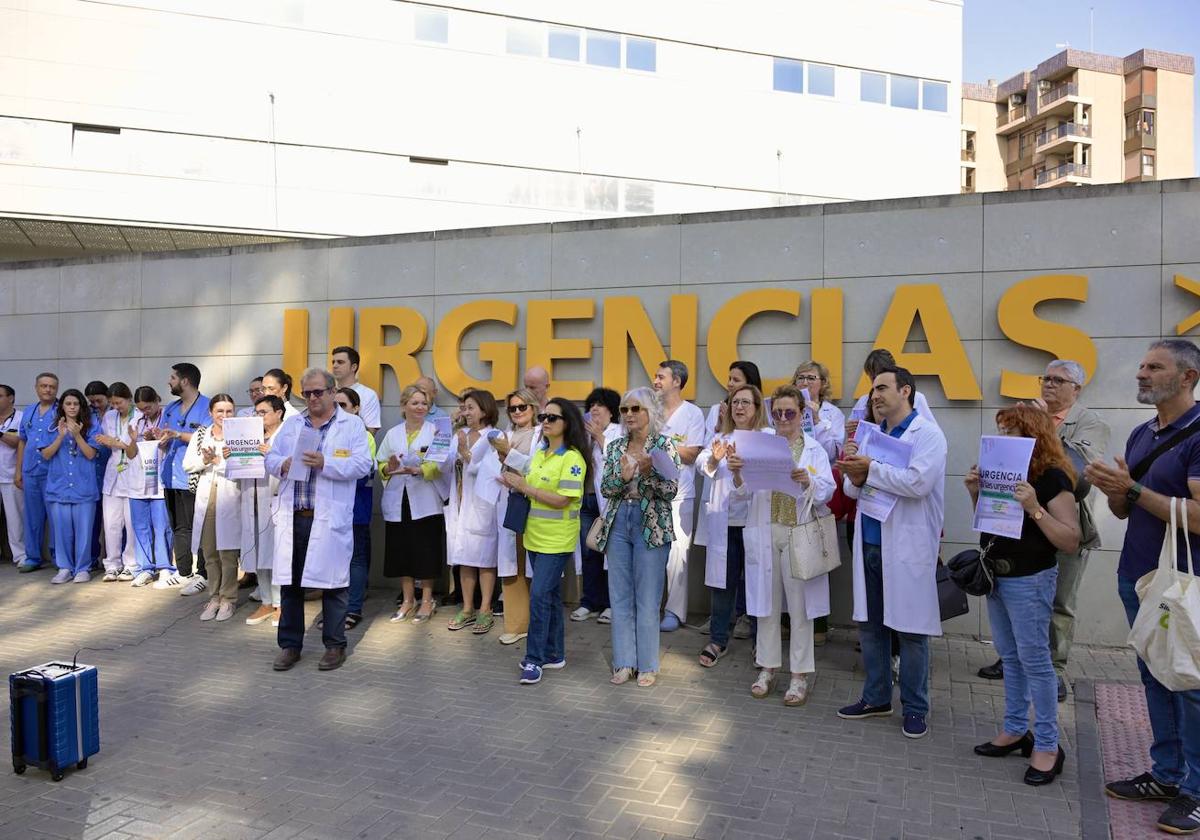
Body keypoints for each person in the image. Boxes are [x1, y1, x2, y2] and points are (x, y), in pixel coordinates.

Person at [1086, 339, 1200, 834]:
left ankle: (1196, 791)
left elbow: (1198, 517)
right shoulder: (1139, 433)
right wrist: (1117, 490)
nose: (1142, 374)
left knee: (1190, 685)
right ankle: (1167, 774)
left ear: (1188, 377)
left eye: (1155, 367)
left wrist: (1131, 488)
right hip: (1138, 575)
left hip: (1182, 583)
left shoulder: (1197, 434)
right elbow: (1124, 509)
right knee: (1154, 677)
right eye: (1141, 366)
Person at [978, 360, 1111, 702]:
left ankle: (1054, 670)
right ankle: (1012, 661)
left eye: (1059, 380)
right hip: (1018, 529)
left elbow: (1078, 475)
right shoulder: (1029, 416)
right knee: (1013, 601)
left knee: (1059, 602)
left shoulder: (1089, 422)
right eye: (1046, 378)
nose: (1049, 385)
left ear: (1076, 389)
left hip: (1060, 526)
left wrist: (1043, 431)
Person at [966, 405, 1079, 786]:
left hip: (1030, 580)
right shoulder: (1004, 472)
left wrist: (1034, 508)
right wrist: (975, 494)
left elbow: (1070, 539)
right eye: (1001, 431)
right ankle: (1015, 730)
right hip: (998, 576)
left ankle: (1048, 745)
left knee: (1035, 661)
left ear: (1034, 436)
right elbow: (992, 523)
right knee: (1010, 657)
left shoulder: (1052, 478)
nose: (1005, 439)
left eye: (1013, 432)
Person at [837, 366, 947, 739]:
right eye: (872, 390)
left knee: (912, 631)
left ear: (906, 392)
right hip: (869, 541)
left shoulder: (928, 435)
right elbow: (855, 493)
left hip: (906, 546)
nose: (875, 395)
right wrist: (854, 471)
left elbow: (918, 483)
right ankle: (876, 697)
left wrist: (870, 469)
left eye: (882, 388)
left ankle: (915, 708)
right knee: (871, 627)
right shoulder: (871, 435)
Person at [267, 369, 372, 672]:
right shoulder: (292, 425)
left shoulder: (351, 425)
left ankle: (334, 645)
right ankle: (290, 646)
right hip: (295, 516)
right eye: (307, 393)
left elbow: (362, 464)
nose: (312, 398)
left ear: (331, 391)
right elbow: (270, 458)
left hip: (327, 520)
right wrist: (282, 464)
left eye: (318, 392)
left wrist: (328, 463)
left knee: (334, 585)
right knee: (291, 585)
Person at [748, 385, 835, 704]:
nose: (783, 418)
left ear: (802, 415)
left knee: (800, 608)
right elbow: (743, 491)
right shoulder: (762, 445)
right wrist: (738, 474)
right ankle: (767, 668)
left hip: (798, 532)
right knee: (766, 605)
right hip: (766, 528)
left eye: (790, 412)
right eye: (778, 412)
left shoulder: (814, 450)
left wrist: (808, 481)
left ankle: (799, 676)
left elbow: (828, 490)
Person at [500, 398, 590, 685]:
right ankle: (554, 654)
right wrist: (516, 482)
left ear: (567, 423)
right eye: (543, 417)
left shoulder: (572, 458)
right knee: (548, 597)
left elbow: (564, 499)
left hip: (557, 541)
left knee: (538, 597)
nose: (545, 422)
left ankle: (534, 658)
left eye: (552, 417)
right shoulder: (541, 453)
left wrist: (525, 487)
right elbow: (529, 476)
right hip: (535, 537)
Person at [595, 387, 681, 687]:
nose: (629, 415)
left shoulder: (663, 445)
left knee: (648, 597)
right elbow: (606, 487)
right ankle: (623, 662)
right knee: (619, 595)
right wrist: (623, 478)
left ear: (649, 412)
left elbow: (671, 490)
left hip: (651, 524)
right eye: (624, 410)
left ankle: (647, 665)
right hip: (619, 521)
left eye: (635, 409)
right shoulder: (616, 446)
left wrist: (647, 473)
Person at [696, 384, 769, 667]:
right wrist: (715, 458)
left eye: (745, 403)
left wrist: (741, 471)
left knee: (756, 585)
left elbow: (767, 477)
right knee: (723, 585)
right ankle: (718, 640)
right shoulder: (720, 438)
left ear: (757, 408)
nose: (739, 407)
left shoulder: (767, 438)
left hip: (755, 523)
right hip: (725, 524)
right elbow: (704, 465)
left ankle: (760, 643)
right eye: (735, 402)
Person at [378, 384, 448, 625]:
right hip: (398, 499)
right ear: (403, 406)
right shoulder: (392, 434)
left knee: (425, 550)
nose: (420, 407)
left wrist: (419, 469)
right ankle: (408, 600)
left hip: (426, 499)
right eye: (415, 402)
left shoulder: (436, 431)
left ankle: (427, 600)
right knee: (401, 551)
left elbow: (441, 464)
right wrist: (389, 468)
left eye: (424, 403)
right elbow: (380, 465)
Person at [652, 359, 705, 631]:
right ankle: (649, 607)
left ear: (677, 381)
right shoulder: (651, 412)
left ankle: (674, 612)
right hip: (649, 494)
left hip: (679, 495)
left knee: (676, 555)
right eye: (655, 376)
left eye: (661, 377)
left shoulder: (692, 413)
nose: (656, 381)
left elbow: (692, 453)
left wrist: (660, 446)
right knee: (650, 553)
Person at [445, 389, 501, 635]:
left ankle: (485, 607)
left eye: (471, 408)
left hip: (483, 505)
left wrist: (467, 455)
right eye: (464, 408)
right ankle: (467, 608)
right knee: (465, 557)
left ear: (485, 410)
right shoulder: (460, 434)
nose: (466, 412)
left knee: (484, 558)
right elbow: (444, 463)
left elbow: (492, 470)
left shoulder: (494, 436)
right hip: (460, 502)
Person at [183, 394, 243, 622]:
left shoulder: (241, 435)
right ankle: (214, 597)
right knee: (209, 551)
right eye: (220, 411)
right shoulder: (201, 434)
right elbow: (188, 465)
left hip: (230, 495)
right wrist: (206, 461)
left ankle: (228, 598)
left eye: (229, 411)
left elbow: (245, 467)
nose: (225, 416)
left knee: (228, 552)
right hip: (207, 496)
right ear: (211, 413)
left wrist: (219, 462)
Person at [490, 388, 541, 643]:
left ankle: (538, 624)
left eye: (523, 407)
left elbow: (536, 468)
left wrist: (508, 456)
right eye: (513, 408)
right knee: (512, 563)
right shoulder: (504, 435)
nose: (518, 412)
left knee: (535, 564)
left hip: (534, 501)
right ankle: (516, 624)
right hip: (507, 501)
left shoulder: (541, 435)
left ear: (533, 408)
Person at [159, 363, 210, 595]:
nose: (169, 381)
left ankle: (203, 574)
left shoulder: (207, 406)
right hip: (171, 476)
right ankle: (183, 572)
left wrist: (178, 435)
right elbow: (164, 433)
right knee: (178, 526)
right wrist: (158, 437)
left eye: (172, 378)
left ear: (185, 381)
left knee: (197, 526)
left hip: (193, 476)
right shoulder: (170, 408)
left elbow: (208, 438)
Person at [573, 387, 622, 624]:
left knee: (611, 552)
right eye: (591, 405)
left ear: (611, 412)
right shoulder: (584, 434)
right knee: (589, 550)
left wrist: (601, 438)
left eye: (600, 405)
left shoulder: (619, 432)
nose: (594, 409)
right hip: (585, 499)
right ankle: (590, 601)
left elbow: (618, 462)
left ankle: (613, 603)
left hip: (608, 501)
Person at [42, 389, 102, 584]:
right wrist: (61, 436)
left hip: (83, 488)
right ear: (62, 407)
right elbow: (46, 454)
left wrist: (77, 436)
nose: (72, 407)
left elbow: (91, 454)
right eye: (68, 404)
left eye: (76, 404)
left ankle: (83, 568)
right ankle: (64, 567)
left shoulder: (92, 427)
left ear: (81, 406)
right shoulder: (52, 428)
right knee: (61, 531)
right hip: (59, 488)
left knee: (84, 531)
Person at [242, 395, 286, 626]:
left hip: (276, 500)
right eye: (256, 412)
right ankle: (267, 601)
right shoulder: (251, 437)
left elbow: (291, 466)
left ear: (278, 412)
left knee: (276, 555)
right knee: (258, 552)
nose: (259, 417)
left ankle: (280, 603)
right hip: (253, 499)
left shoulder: (287, 436)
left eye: (263, 412)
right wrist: (232, 458)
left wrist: (270, 453)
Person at [334, 387, 376, 629]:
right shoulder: (331, 433)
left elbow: (363, 473)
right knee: (337, 562)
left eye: (344, 405)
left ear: (356, 408)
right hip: (333, 508)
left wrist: (334, 469)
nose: (339, 410)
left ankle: (353, 609)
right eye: (335, 405)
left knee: (356, 560)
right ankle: (336, 611)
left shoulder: (365, 436)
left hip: (356, 508)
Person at [126, 387, 176, 588]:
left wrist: (157, 439)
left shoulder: (168, 418)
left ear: (157, 400)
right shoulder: (135, 421)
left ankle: (165, 567)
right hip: (138, 481)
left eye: (148, 407)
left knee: (162, 526)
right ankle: (144, 568)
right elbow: (129, 454)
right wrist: (133, 438)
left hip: (160, 483)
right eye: (141, 409)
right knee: (140, 526)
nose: (145, 412)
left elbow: (169, 447)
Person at [93, 383, 139, 582]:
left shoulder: (139, 416)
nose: (116, 407)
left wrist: (115, 442)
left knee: (131, 523)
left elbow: (136, 445)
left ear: (129, 399)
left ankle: (131, 564)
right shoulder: (109, 416)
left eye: (119, 403)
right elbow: (105, 440)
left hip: (133, 472)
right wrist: (113, 442)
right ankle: (112, 564)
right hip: (113, 474)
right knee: (111, 523)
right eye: (112, 403)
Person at [16, 372, 60, 572]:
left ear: (56, 389)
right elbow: (22, 441)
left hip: (53, 471)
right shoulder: (29, 411)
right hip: (30, 471)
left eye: (51, 386)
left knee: (55, 516)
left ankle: (59, 557)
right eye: (43, 386)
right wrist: (18, 471)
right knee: (32, 517)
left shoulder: (61, 410)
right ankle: (33, 557)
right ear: (36, 388)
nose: (47, 389)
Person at [848, 349, 937, 431]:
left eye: (880, 373)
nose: (877, 379)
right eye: (873, 376)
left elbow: (930, 429)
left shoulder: (916, 397)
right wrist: (851, 429)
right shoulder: (864, 401)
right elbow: (854, 437)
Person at [792, 361, 845, 463]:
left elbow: (831, 454)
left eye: (811, 378)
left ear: (823, 383)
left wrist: (816, 420)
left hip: (820, 472)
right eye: (801, 378)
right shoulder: (786, 409)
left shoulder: (834, 413)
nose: (805, 383)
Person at [83, 380, 111, 566]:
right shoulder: (86, 414)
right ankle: (92, 559)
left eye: (99, 400)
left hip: (114, 469)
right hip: (92, 471)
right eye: (92, 401)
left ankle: (114, 560)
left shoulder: (116, 412)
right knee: (92, 520)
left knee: (114, 522)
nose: (95, 404)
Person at [0, 384, 25, 567]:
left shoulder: (21, 418)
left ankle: (21, 556)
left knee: (15, 519)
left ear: (11, 398)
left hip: (11, 476)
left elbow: (18, 442)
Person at [331, 346, 381, 434]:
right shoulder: (327, 393)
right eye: (333, 362)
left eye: (340, 362)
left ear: (353, 367)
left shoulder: (368, 395)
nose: (335, 366)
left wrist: (348, 414)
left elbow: (370, 433)